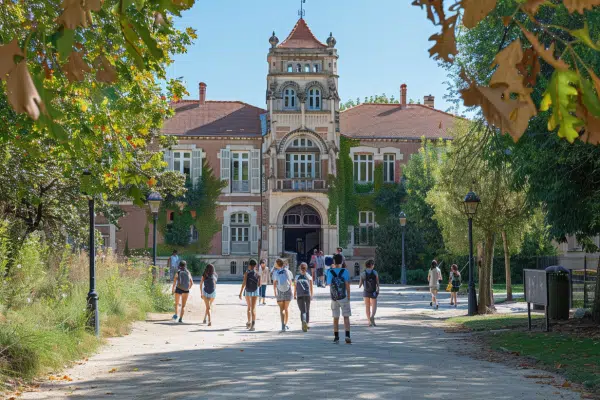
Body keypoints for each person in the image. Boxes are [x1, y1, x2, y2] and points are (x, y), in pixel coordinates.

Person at [326, 253, 351, 344]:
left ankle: (336, 337)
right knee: (346, 317)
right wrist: (348, 296)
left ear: (334, 261)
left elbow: (328, 284)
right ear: (342, 261)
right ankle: (347, 335)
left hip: (334, 298)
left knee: (335, 318)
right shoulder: (345, 271)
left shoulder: (330, 272)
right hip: (343, 297)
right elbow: (347, 285)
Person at [239, 259, 261, 331]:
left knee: (249, 307)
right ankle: (253, 325)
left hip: (248, 291)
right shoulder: (258, 274)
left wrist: (240, 292)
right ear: (255, 265)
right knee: (253, 308)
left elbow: (244, 283)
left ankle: (249, 322)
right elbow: (259, 285)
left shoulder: (246, 273)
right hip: (255, 291)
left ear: (249, 265)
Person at [272, 258, 293, 332]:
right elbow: (290, 282)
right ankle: (286, 323)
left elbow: (274, 283)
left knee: (281, 309)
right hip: (287, 290)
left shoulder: (275, 272)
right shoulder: (287, 271)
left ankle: (282, 326)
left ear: (277, 264)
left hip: (279, 291)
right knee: (286, 309)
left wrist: (275, 292)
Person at [358, 259, 380, 327]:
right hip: (373, 291)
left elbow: (360, 285)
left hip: (366, 292)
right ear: (371, 265)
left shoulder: (363, 273)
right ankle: (372, 316)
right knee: (374, 305)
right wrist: (378, 289)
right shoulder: (375, 272)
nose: (373, 266)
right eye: (373, 264)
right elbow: (377, 283)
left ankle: (369, 322)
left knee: (367, 306)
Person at [294, 262, 314, 332]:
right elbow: (311, 286)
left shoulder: (297, 276)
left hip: (299, 295)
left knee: (302, 310)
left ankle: (303, 322)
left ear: (300, 268)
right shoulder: (308, 276)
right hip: (307, 294)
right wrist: (311, 295)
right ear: (306, 268)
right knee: (307, 309)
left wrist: (294, 294)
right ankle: (307, 323)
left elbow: (295, 286)